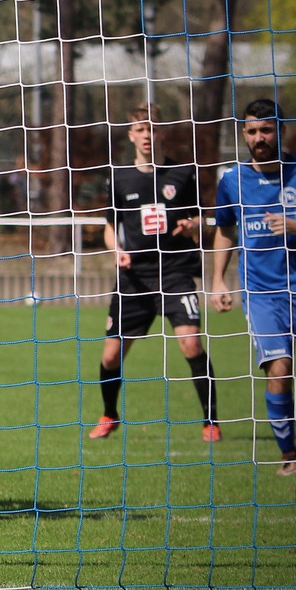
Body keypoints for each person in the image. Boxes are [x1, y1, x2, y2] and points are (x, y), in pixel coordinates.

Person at [88, 103, 219, 442]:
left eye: (152, 128)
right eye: (140, 129)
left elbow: (202, 221)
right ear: (131, 135)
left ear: (161, 132)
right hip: (134, 279)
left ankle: (210, 421)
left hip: (175, 273)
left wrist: (194, 225)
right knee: (111, 354)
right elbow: (108, 227)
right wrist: (116, 251)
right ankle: (109, 413)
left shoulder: (183, 174)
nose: (147, 135)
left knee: (190, 344)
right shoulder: (119, 177)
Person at [210, 99, 296, 477]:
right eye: (253, 131)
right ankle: (289, 456)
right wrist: (218, 279)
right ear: (244, 134)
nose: (260, 138)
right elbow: (224, 230)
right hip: (262, 294)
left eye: (267, 130)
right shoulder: (232, 180)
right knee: (279, 367)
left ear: (281, 131)